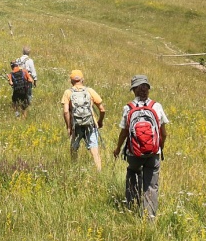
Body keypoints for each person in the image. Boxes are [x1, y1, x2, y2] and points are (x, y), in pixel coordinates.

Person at [113, 75, 168, 218]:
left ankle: (131, 207)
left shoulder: (128, 108)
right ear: (148, 89)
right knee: (151, 185)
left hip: (134, 154)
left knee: (132, 172)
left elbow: (124, 132)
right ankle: (149, 217)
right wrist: (159, 147)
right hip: (153, 152)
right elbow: (164, 133)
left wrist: (118, 148)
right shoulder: (157, 106)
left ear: (133, 90)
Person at [61, 70, 105, 171]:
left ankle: (74, 169)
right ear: (82, 80)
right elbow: (102, 109)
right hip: (90, 123)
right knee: (94, 151)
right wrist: (100, 121)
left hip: (76, 125)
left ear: (71, 81)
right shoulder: (90, 91)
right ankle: (99, 172)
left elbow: (66, 112)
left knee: (74, 148)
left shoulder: (68, 92)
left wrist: (68, 126)